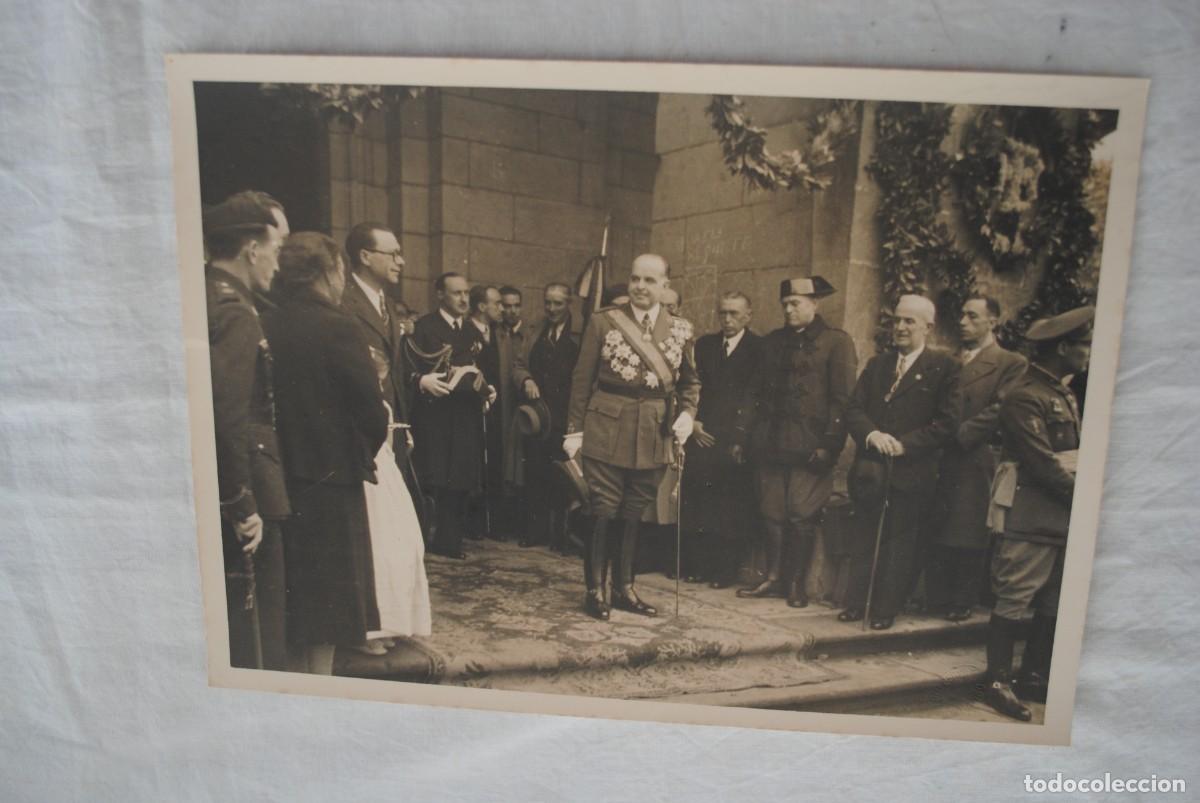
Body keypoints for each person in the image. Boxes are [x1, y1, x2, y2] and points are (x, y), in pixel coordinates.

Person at [262, 232, 389, 675]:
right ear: (328, 272)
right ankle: (319, 688)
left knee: (295, 602)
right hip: (332, 485)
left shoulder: (266, 322)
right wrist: (356, 454)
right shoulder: (339, 326)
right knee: (330, 609)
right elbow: (373, 413)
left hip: (279, 481)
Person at [565, 254, 700, 620]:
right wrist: (574, 431)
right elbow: (581, 380)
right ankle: (595, 589)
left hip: (654, 433)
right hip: (607, 426)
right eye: (635, 278)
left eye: (650, 281)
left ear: (665, 286)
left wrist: (688, 413)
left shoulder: (680, 329)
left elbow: (689, 382)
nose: (640, 287)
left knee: (633, 511)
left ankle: (624, 588)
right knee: (603, 509)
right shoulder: (603, 322)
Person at [982, 305, 1092, 721]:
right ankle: (997, 682)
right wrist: (1086, 496)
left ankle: (1032, 675)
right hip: (1030, 515)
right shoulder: (1024, 396)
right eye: (1082, 345)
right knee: (1016, 595)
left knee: (1053, 598)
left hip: (1061, 515)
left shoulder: (1061, 392)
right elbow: (1043, 464)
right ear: (1063, 348)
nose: (1087, 352)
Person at [203, 191, 290, 670]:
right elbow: (227, 412)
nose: (278, 264)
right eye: (275, 249)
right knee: (256, 637)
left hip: (231, 480)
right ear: (251, 249)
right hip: (249, 484)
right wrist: (241, 504)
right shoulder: (236, 310)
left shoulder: (207, 294)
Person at [733, 278, 857, 605]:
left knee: (801, 513)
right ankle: (773, 578)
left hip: (810, 446)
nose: (789, 309)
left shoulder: (836, 342)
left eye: (796, 303)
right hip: (769, 442)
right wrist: (742, 435)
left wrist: (830, 445)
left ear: (815, 304)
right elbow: (753, 392)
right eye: (785, 303)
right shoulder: (772, 342)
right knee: (771, 512)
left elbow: (842, 400)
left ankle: (795, 584)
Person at [840, 294, 961, 630]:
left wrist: (903, 445)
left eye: (910, 321)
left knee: (898, 542)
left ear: (928, 327)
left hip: (912, 471)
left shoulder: (944, 368)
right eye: (897, 320)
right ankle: (855, 603)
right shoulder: (878, 365)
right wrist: (872, 435)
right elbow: (853, 409)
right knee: (864, 534)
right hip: (871, 470)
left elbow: (947, 423)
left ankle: (883, 610)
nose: (901, 327)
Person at [927, 296, 1027, 621]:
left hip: (973, 454)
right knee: (940, 523)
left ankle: (962, 598)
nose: (963, 322)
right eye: (962, 315)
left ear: (992, 322)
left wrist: (963, 433)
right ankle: (936, 596)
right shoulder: (950, 360)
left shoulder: (1009, 362)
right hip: (941, 453)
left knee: (968, 526)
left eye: (972, 317)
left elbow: (1003, 407)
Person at [675, 292, 764, 587]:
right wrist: (694, 422)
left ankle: (724, 571)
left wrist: (739, 437)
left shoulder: (758, 349)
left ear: (748, 316)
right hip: (702, 435)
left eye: (735, 314)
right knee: (698, 502)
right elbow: (690, 385)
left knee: (729, 507)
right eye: (723, 313)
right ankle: (698, 566)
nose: (727, 319)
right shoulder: (705, 345)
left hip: (732, 441)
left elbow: (755, 396)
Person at [409, 273, 496, 560]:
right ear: (440, 296)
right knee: (433, 475)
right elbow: (410, 368)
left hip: (466, 414)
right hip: (436, 414)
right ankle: (422, 539)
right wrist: (423, 380)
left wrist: (487, 391)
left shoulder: (471, 331)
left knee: (459, 477)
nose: (463, 299)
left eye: (466, 293)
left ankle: (449, 540)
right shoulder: (424, 327)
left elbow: (479, 369)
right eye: (456, 293)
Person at [512, 283, 580, 549]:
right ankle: (535, 531)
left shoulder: (580, 335)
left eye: (558, 304)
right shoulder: (535, 331)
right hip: (537, 418)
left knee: (564, 477)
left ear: (569, 303)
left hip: (566, 418)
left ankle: (563, 535)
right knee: (535, 472)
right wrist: (526, 379)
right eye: (548, 303)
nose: (551, 309)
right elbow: (518, 365)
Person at [341, 222, 411, 437]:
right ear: (365, 257)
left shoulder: (388, 304)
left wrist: (402, 426)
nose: (401, 261)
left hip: (392, 428)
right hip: (360, 430)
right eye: (393, 254)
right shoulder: (342, 302)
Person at [468, 284, 506, 540]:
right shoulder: (466, 332)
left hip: (495, 410)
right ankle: (475, 524)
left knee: (493, 462)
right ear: (482, 306)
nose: (501, 308)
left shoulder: (498, 334)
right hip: (473, 409)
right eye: (497, 303)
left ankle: (494, 524)